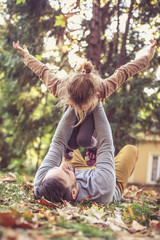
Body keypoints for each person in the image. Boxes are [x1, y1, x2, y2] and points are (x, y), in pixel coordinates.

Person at [12, 39, 156, 165]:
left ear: (95, 96)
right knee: (70, 142)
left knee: (82, 140)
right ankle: (69, 147)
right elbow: (43, 71)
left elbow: (124, 72)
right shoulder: (62, 87)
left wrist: (146, 57)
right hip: (70, 115)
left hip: (89, 117)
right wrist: (27, 55)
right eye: (76, 103)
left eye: (83, 104)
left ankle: (93, 147)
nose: (80, 107)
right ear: (69, 97)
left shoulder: (102, 88)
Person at [34, 102, 138, 203]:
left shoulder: (42, 184)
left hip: (77, 169)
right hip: (109, 181)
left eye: (56, 167)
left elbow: (58, 143)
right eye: (65, 172)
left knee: (69, 144)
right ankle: (93, 145)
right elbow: (105, 143)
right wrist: (95, 100)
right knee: (131, 150)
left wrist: (74, 101)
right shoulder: (102, 188)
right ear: (73, 193)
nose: (63, 164)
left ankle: (90, 144)